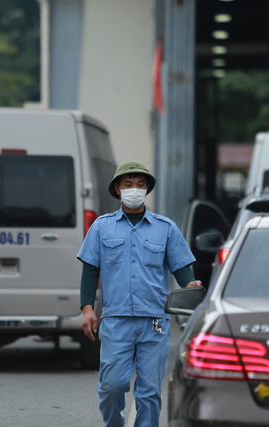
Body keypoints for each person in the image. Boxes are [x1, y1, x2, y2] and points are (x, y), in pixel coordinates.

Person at [77, 161, 202, 427]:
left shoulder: (165, 228)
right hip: (116, 320)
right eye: (128, 184)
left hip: (154, 321)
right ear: (118, 189)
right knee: (112, 386)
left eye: (140, 184)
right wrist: (87, 309)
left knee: (149, 392)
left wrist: (190, 285)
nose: (135, 189)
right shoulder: (101, 227)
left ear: (147, 190)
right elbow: (90, 271)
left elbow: (181, 268)